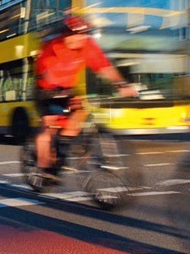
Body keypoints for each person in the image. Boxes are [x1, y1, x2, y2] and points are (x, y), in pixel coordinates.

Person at [33, 14, 138, 180]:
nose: (81, 38)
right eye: (77, 34)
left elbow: (104, 66)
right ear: (66, 35)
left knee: (78, 115)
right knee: (49, 124)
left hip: (68, 88)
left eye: (84, 34)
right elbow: (47, 75)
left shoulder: (88, 45)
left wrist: (122, 85)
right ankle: (44, 168)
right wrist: (59, 96)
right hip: (45, 89)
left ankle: (61, 155)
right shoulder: (52, 49)